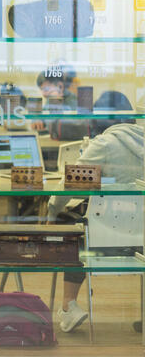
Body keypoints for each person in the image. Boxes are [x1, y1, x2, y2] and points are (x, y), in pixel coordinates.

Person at [50, 117, 144, 333]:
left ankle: (68, 306)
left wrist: (52, 210)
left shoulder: (105, 144)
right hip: (141, 240)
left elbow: (71, 183)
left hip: (102, 240)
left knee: (74, 235)